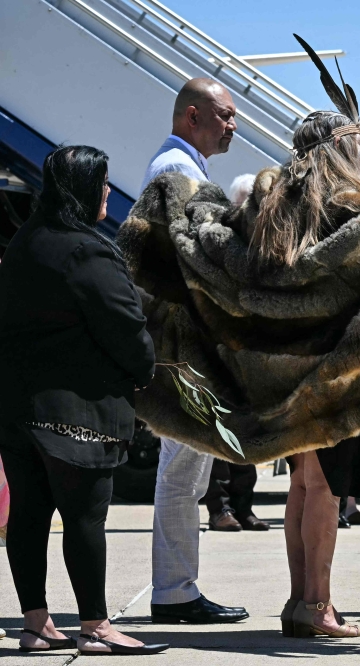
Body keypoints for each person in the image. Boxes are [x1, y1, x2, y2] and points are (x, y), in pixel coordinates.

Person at [0, 146, 168, 655]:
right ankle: (95, 625)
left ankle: (35, 624)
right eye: (102, 182)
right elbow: (126, 326)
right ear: (83, 187)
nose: (108, 192)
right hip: (75, 410)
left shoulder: (25, 242)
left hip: (17, 407)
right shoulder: (86, 250)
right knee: (84, 516)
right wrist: (144, 371)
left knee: (28, 515)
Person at [245, 108, 360, 638]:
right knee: (326, 488)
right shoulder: (347, 204)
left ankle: (298, 602)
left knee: (303, 485)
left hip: (287, 362)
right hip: (333, 364)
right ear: (337, 145)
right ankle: (318, 604)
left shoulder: (279, 203)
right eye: (357, 141)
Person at [143, 78, 249, 624]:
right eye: (226, 116)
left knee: (185, 472)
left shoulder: (184, 169)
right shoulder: (178, 174)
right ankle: (175, 592)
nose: (234, 125)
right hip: (187, 345)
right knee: (183, 473)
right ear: (192, 116)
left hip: (183, 342)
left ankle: (177, 588)